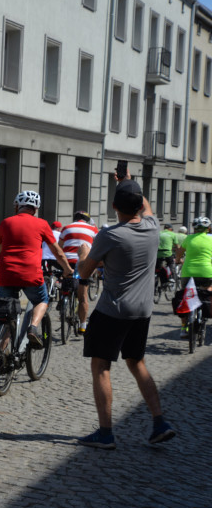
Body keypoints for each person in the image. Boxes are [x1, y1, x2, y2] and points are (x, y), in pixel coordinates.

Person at [75, 177, 176, 449]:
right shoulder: (153, 228)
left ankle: (106, 433)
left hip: (113, 310)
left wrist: (83, 253)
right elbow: (147, 208)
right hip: (142, 311)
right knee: (136, 362)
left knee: (101, 366)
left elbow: (84, 273)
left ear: (114, 206)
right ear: (139, 206)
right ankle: (159, 422)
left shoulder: (110, 235)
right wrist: (129, 182)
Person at [0, 190, 73, 348]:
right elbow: (57, 251)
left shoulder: (6, 222)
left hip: (6, 274)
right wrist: (68, 269)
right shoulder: (42, 224)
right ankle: (33, 327)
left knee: (7, 315)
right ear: (36, 209)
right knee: (41, 300)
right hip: (30, 273)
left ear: (17, 206)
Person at [59, 210, 99, 334]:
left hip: (68, 261)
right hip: (83, 262)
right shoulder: (93, 229)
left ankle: (63, 299)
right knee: (83, 297)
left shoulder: (66, 228)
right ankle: (82, 325)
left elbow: (60, 247)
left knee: (65, 281)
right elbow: (98, 248)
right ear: (86, 220)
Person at [174, 216, 212, 337]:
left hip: (188, 272)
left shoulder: (188, 239)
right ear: (209, 228)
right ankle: (205, 312)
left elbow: (179, 253)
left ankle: (184, 327)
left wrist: (178, 260)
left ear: (194, 229)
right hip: (206, 272)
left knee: (185, 296)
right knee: (208, 292)